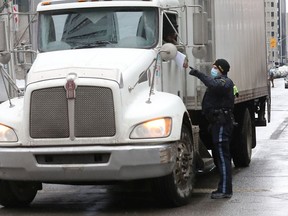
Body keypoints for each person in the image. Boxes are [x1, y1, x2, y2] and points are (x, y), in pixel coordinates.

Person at [188, 59, 235, 199]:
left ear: (221, 69)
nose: (212, 69)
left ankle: (226, 190)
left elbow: (213, 85)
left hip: (222, 123)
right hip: (217, 123)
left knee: (222, 157)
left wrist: (197, 73)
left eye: (215, 67)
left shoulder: (225, 82)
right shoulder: (220, 82)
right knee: (219, 158)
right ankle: (223, 188)